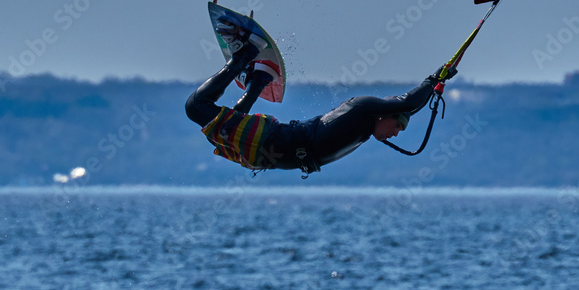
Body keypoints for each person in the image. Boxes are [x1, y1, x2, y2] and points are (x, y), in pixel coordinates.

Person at [185, 27, 454, 175]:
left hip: (263, 153)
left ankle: (260, 79)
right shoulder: (362, 107)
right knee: (196, 108)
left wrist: (435, 88)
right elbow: (406, 103)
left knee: (216, 132)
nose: (396, 134)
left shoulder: (364, 131)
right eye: (398, 127)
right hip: (270, 141)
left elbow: (410, 107)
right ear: (385, 114)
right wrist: (435, 79)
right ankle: (245, 54)